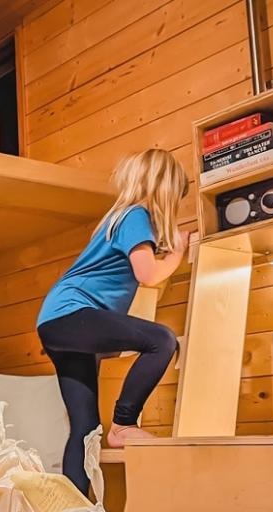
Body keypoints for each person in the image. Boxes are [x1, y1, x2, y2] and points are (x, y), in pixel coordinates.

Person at [36, 148, 190, 494]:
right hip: (72, 314)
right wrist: (179, 252)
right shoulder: (136, 216)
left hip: (56, 321)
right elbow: (148, 274)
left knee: (85, 429)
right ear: (164, 189)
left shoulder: (118, 219)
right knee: (162, 340)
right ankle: (123, 423)